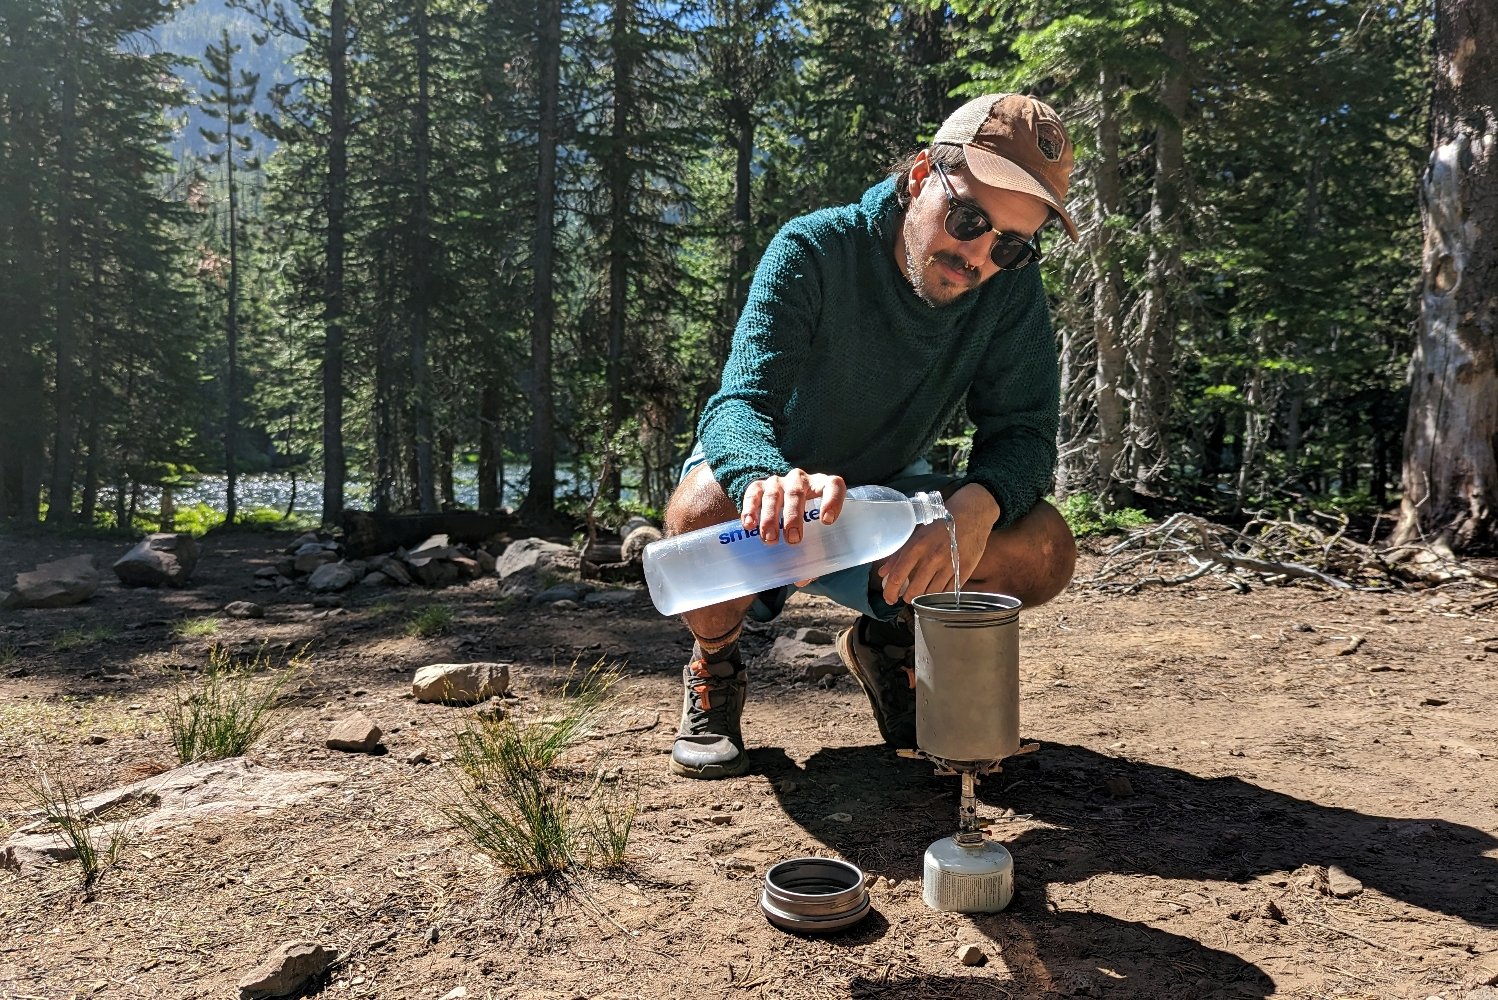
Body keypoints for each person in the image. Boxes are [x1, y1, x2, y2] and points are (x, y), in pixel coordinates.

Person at [664, 93, 1080, 779]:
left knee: (1042, 548)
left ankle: (885, 638)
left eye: (1010, 243)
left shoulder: (1008, 291)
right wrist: (763, 477)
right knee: (700, 511)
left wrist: (978, 504)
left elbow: (1026, 434)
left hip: (883, 499)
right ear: (921, 177)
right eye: (968, 216)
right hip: (777, 490)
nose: (977, 253)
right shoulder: (815, 248)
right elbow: (738, 405)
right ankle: (715, 666)